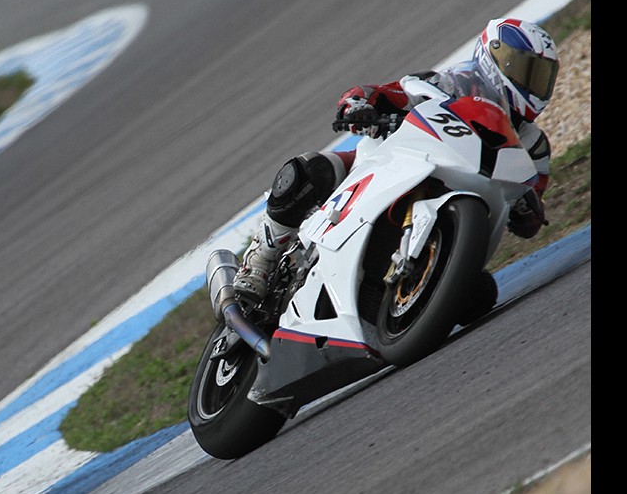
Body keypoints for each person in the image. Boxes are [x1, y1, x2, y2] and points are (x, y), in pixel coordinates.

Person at [233, 16, 560, 303]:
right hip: (398, 162)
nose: (533, 83)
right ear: (496, 58)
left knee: (479, 295)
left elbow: (532, 218)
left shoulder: (533, 148)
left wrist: (526, 207)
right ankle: (261, 258)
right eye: (526, 69)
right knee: (309, 170)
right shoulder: (444, 84)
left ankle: (403, 294)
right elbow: (383, 93)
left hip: (462, 208)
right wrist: (359, 104)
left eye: (541, 77)